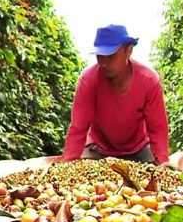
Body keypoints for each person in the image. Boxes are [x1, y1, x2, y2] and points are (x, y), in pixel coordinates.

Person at [59, 24, 170, 164]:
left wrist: (163, 162)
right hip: (98, 149)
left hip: (138, 150)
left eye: (110, 56)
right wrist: (68, 163)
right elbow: (78, 128)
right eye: (100, 56)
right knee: (81, 179)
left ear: (128, 51)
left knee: (156, 178)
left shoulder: (149, 81)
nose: (104, 63)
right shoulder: (88, 80)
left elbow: (157, 128)